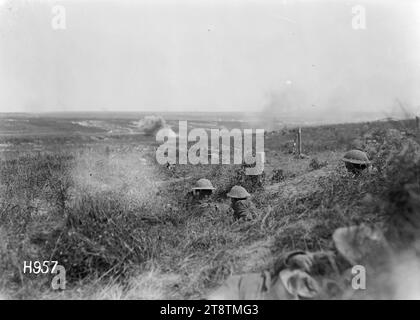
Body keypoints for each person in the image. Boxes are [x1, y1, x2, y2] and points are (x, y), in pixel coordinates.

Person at [207, 224, 393, 300]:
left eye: (343, 255)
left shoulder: (359, 281)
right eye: (338, 251)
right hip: (262, 288)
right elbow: (284, 263)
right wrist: (294, 257)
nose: (335, 254)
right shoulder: (326, 259)